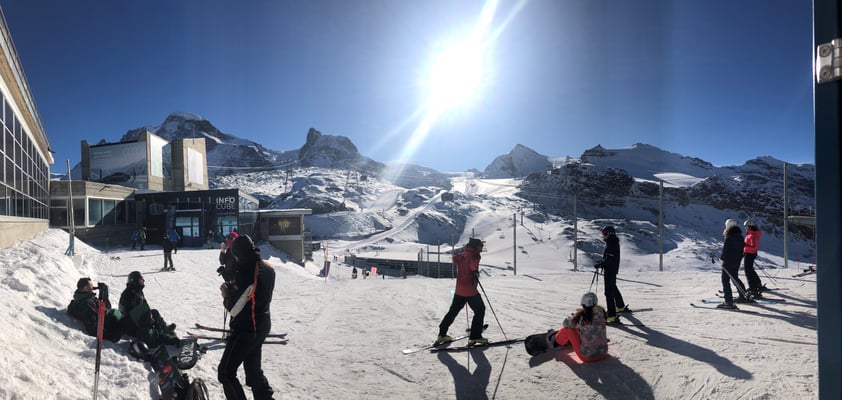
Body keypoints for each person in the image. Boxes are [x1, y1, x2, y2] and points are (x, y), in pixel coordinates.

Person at [218, 234, 276, 400]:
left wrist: (226, 295)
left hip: (246, 329)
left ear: (239, 254)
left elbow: (234, 308)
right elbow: (253, 295)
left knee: (226, 372)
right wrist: (234, 286)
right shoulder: (267, 267)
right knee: (253, 372)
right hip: (261, 324)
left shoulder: (247, 274)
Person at [436, 238, 487, 346]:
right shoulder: (475, 255)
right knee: (480, 310)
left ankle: (442, 334)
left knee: (453, 311)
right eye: (481, 246)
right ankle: (475, 336)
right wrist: (475, 272)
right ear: (476, 247)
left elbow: (455, 259)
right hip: (470, 290)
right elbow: (473, 266)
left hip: (459, 289)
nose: (482, 248)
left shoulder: (462, 255)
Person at [533, 292, 609, 362]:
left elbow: (566, 323)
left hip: (587, 357)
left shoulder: (582, 317)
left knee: (567, 330)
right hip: (603, 353)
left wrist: (574, 317)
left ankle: (555, 341)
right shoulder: (602, 313)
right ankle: (571, 341)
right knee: (586, 329)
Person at [119, 271, 179, 347]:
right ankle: (154, 334)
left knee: (154, 312)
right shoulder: (129, 293)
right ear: (134, 281)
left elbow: (145, 306)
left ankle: (165, 329)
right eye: (141, 279)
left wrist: (150, 316)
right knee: (147, 312)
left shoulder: (138, 291)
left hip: (135, 318)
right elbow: (128, 311)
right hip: (130, 325)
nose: (143, 281)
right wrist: (147, 319)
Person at [67, 278, 129, 342]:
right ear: (86, 288)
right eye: (91, 285)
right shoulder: (86, 304)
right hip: (113, 323)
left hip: (114, 318)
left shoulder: (88, 296)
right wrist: (110, 336)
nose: (93, 287)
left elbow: (106, 308)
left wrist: (104, 294)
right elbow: (92, 327)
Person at [596, 226, 627, 324]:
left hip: (610, 270)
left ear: (610, 234)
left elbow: (609, 259)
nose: (603, 235)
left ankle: (611, 316)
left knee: (608, 293)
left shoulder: (612, 243)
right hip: (611, 269)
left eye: (604, 233)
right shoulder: (612, 242)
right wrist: (601, 262)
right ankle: (620, 306)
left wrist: (601, 264)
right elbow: (608, 257)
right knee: (612, 287)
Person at [718, 219, 750, 309]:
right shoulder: (740, 237)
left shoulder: (729, 237)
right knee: (735, 278)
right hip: (736, 261)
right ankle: (743, 295)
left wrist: (722, 260)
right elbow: (743, 249)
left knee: (725, 280)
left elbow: (725, 250)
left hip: (728, 262)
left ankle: (728, 302)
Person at [743, 220, 765, 297]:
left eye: (746, 227)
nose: (745, 228)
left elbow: (753, 247)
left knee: (748, 271)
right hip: (749, 253)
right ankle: (757, 284)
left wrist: (744, 245)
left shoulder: (753, 234)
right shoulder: (752, 233)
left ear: (749, 226)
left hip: (749, 254)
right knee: (750, 270)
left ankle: (753, 288)